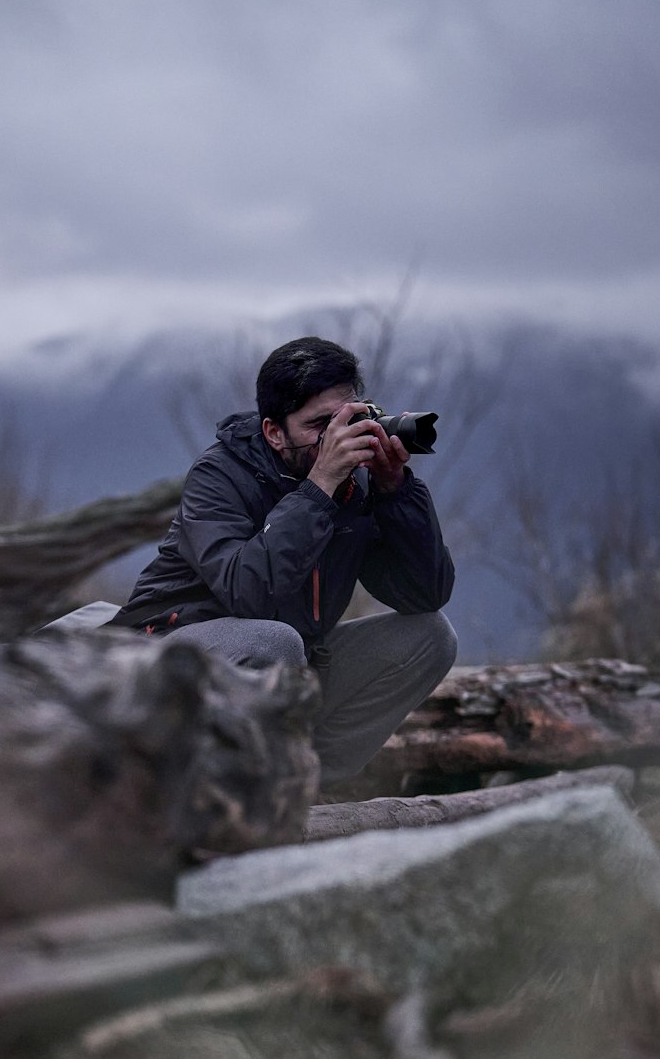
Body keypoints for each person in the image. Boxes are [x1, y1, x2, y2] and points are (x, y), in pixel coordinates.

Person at [108, 335, 457, 788]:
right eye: (320, 425)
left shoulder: (357, 487)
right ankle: (219, 788)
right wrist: (318, 489)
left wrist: (396, 493)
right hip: (165, 660)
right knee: (273, 643)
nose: (338, 436)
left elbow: (424, 594)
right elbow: (246, 592)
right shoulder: (218, 476)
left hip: (290, 665)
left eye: (351, 417)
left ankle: (304, 785)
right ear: (275, 432)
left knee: (431, 637)